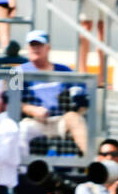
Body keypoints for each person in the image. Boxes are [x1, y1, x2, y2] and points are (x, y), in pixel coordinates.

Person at [15, 30, 90, 158]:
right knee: (20, 130)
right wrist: (31, 109)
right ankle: (22, 170)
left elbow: (83, 93)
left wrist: (76, 105)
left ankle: (89, 163)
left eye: (39, 45)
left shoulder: (64, 70)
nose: (35, 49)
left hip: (59, 119)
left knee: (75, 119)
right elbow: (10, 100)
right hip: (33, 121)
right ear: (27, 47)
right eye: (32, 45)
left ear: (48, 48)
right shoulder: (16, 71)